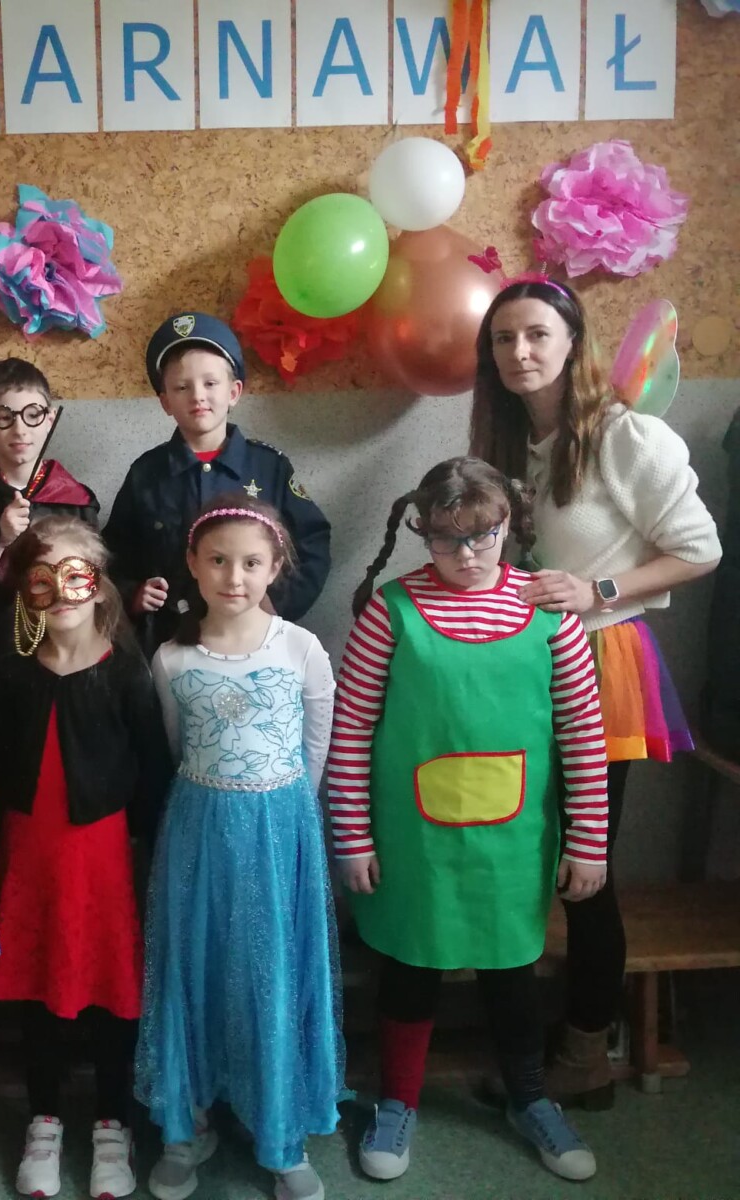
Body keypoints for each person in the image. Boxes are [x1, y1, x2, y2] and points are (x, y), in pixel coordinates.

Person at [470, 278, 721, 1105]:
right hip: (523, 666)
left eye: (537, 334)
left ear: (572, 342)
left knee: (588, 866)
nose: (519, 352)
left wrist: (598, 591)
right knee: (524, 854)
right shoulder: (511, 441)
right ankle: (537, 1041)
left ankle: (587, 1055)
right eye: (503, 339)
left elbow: (700, 549)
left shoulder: (623, 434)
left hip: (602, 663)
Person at [330, 456, 609, 1183]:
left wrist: (589, 842)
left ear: (508, 524)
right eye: (447, 538)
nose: (466, 554)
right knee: (411, 969)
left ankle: (531, 1097)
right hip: (413, 842)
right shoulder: (391, 611)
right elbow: (350, 729)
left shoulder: (550, 614)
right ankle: (398, 1102)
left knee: (511, 973)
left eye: (482, 535)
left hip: (514, 844)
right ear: (422, 531)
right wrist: (351, 836)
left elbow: (583, 735)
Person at [135, 495, 344, 1200]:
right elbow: (175, 744)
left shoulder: (300, 647)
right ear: (193, 565)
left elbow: (316, 744)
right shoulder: (171, 657)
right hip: (197, 831)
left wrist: (279, 808)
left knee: (272, 970)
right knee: (194, 966)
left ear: (275, 567)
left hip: (281, 831)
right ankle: (186, 1125)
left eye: (252, 562)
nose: (234, 576)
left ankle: (281, 1136)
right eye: (218, 560)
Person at [0, 515, 171, 1200]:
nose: (60, 592)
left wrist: (148, 855)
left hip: (107, 861)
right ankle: (45, 1119)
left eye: (75, 576)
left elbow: (153, 772)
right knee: (40, 987)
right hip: (30, 859)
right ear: (25, 591)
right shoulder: (10, 675)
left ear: (100, 586)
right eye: (43, 579)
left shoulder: (126, 673)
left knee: (115, 988)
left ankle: (113, 1123)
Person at [103, 313, 331, 659]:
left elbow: (313, 541)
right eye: (182, 387)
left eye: (210, 383)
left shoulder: (269, 467)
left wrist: (277, 602)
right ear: (165, 401)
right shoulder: (146, 473)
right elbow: (113, 553)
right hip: (168, 644)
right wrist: (132, 593)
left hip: (255, 643)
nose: (198, 396)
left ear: (234, 391)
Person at [0, 357, 99, 678]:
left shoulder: (78, 500)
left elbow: (97, 582)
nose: (20, 429)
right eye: (4, 417)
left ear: (50, 419)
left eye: (33, 415)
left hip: (64, 655)